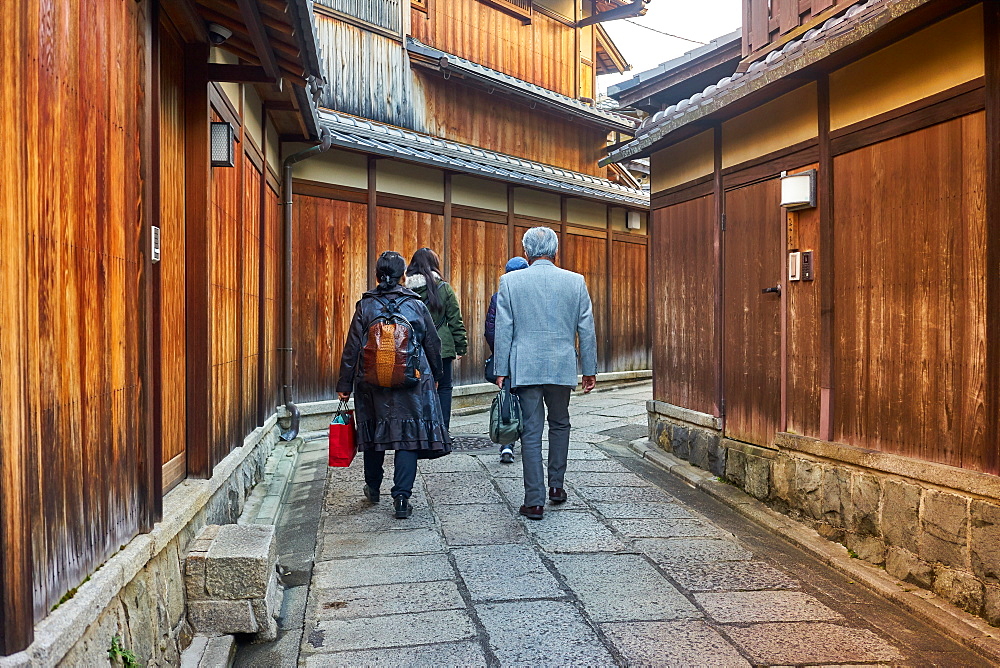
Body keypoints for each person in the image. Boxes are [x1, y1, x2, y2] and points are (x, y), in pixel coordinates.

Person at [336, 251, 451, 519]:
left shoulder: (365, 306)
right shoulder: (416, 305)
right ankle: (401, 497)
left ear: (377, 276)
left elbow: (353, 348)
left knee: (374, 431)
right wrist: (436, 374)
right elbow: (432, 344)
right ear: (403, 277)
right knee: (407, 437)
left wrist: (344, 383)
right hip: (410, 381)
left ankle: (373, 487)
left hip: (370, 381)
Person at [493, 227, 597, 521]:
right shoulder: (575, 282)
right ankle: (557, 486)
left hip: (525, 366)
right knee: (560, 423)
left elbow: (505, 330)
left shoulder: (510, 282)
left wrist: (501, 370)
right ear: (555, 251)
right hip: (562, 365)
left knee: (531, 431)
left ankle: (534, 500)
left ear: (526, 251)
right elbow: (586, 329)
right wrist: (589, 369)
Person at [406, 247, 467, 431]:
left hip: (414, 347)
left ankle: (419, 430)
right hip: (442, 347)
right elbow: (455, 320)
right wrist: (460, 347)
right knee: (444, 388)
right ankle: (442, 431)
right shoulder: (443, 288)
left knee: (416, 388)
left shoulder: (405, 290)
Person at [485, 256, 529, 464]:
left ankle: (507, 444)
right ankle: (529, 443)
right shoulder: (533, 296)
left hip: (509, 357)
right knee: (530, 401)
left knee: (508, 400)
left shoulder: (499, 296)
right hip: (529, 357)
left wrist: (501, 355)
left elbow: (491, 330)